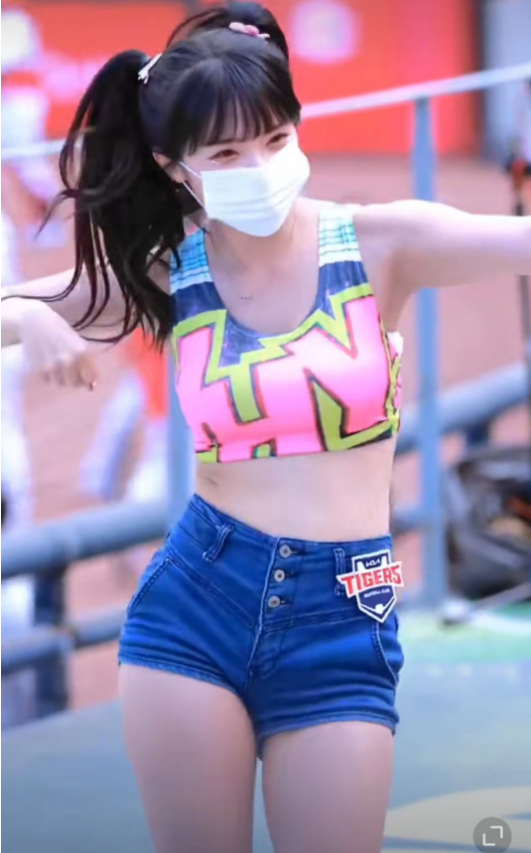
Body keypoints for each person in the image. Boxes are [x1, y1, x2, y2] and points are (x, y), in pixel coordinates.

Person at [2, 3, 530, 851]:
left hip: (342, 614)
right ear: (175, 167)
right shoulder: (166, 269)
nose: (260, 166)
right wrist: (29, 318)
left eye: (275, 139)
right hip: (199, 601)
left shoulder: (381, 242)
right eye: (226, 154)